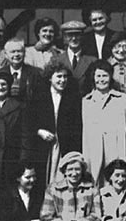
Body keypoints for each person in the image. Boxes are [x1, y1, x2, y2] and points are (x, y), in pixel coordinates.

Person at [24, 61, 82, 190]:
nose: (62, 80)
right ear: (50, 78)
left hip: (63, 145)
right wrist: (39, 131)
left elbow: (77, 126)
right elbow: (28, 121)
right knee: (42, 178)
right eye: (59, 77)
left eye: (65, 77)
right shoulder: (39, 96)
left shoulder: (72, 97)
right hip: (43, 145)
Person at [82, 59, 126, 187]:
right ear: (93, 78)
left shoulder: (122, 99)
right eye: (98, 76)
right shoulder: (86, 101)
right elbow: (85, 134)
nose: (101, 79)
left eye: (105, 76)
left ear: (111, 77)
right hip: (93, 156)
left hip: (116, 153)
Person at [48, 20, 96, 97]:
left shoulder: (92, 61)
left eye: (77, 35)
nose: (74, 38)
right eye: (70, 35)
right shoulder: (56, 59)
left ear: (82, 37)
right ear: (64, 37)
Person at [0, 37, 42, 103]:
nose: (16, 54)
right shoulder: (0, 73)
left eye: (19, 51)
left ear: (24, 53)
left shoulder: (35, 73)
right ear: (6, 55)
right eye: (13, 52)